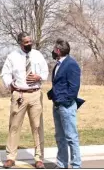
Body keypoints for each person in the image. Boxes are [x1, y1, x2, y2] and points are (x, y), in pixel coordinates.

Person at [1, 32, 49, 169]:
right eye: (26, 42)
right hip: (19, 95)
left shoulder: (38, 55)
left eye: (30, 41)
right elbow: (5, 73)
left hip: (35, 94)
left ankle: (39, 158)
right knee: (14, 126)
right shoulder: (12, 56)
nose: (29, 44)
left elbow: (45, 72)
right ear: (20, 43)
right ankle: (10, 157)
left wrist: (39, 77)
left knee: (37, 126)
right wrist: (10, 85)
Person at [47, 38, 85, 169]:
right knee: (60, 137)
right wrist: (52, 94)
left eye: (53, 49)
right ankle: (61, 164)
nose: (52, 51)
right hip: (57, 105)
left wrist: (65, 101)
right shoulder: (58, 64)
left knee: (71, 137)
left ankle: (76, 165)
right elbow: (60, 84)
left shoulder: (71, 64)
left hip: (66, 106)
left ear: (58, 50)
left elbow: (74, 87)